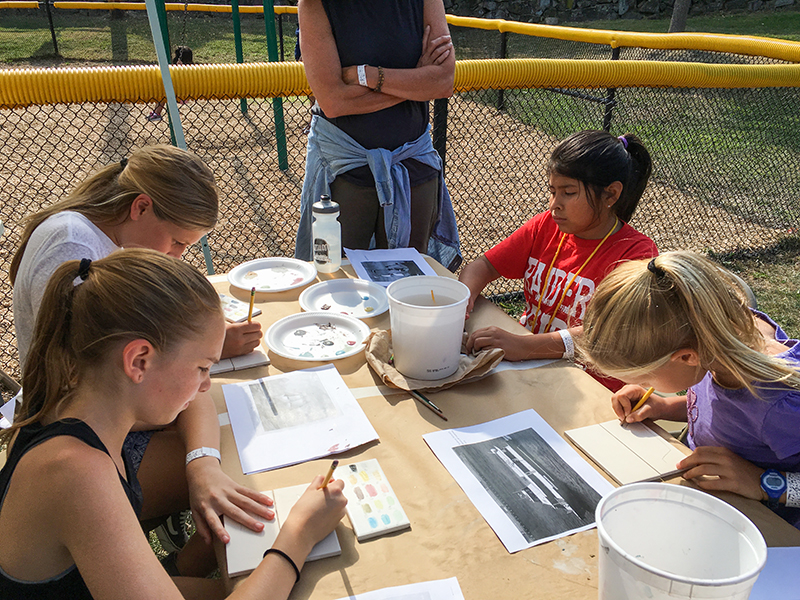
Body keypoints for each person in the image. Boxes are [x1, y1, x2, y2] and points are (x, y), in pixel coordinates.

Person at [0, 250, 347, 599]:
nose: (206, 385)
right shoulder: (78, 473)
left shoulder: (77, 403)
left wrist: (201, 464)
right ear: (139, 361)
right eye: (201, 368)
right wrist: (299, 535)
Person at [10, 144, 266, 576]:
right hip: (76, 423)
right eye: (177, 242)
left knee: (219, 442)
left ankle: (180, 567)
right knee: (239, 468)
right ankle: (182, 566)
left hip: (97, 416)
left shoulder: (95, 238)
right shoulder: (74, 248)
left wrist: (202, 356)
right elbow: (110, 390)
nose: (177, 256)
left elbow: (161, 382)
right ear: (141, 206)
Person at [576, 251, 800, 529]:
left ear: (686, 357)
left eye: (647, 379)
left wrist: (764, 482)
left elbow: (755, 415)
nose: (643, 387)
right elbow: (732, 414)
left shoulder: (780, 404)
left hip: (769, 530)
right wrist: (665, 407)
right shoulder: (713, 337)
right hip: (710, 496)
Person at [459, 130, 657, 385]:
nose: (554, 204)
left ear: (611, 195)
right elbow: (484, 266)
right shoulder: (547, 225)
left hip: (590, 385)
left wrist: (524, 346)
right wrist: (462, 300)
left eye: (569, 192)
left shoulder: (636, 254)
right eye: (552, 191)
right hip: (530, 366)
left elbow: (607, 336)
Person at [295, 0, 461, 271]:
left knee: (410, 283)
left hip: (413, 165)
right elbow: (333, 102)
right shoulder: (315, 5)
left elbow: (443, 81)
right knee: (340, 284)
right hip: (344, 169)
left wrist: (368, 76)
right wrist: (416, 81)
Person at [148, 46, 193, 122]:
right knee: (164, 92)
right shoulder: (192, 67)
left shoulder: (181, 67)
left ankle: (157, 113)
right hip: (184, 94)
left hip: (181, 95)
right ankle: (156, 112)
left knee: (164, 94)